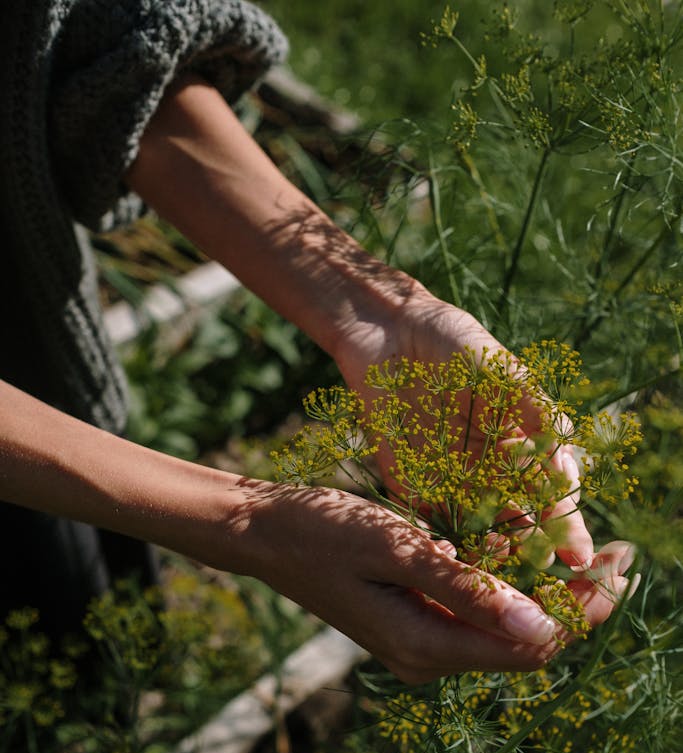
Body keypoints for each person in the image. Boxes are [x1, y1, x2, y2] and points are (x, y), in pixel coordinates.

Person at [0, 1, 633, 684]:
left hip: (43, 395)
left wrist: (383, 312)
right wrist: (246, 523)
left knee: (86, 651)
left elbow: (93, 46)